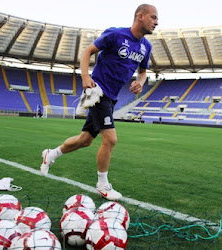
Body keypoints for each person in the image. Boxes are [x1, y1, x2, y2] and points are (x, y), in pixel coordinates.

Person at [40, 4, 158, 201]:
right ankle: (103, 185)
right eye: (153, 17)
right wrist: (85, 77)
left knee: (85, 140)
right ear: (140, 17)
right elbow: (87, 51)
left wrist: (140, 82)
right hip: (98, 91)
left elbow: (143, 71)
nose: (157, 22)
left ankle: (50, 155)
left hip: (112, 97)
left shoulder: (147, 47)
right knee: (110, 139)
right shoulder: (115, 34)